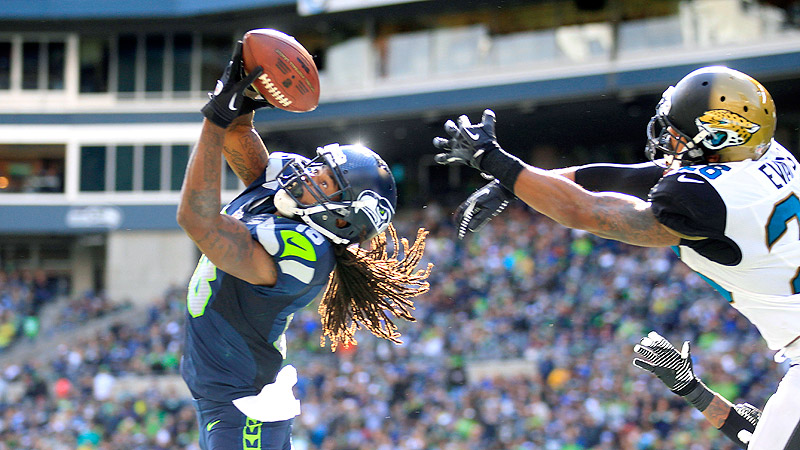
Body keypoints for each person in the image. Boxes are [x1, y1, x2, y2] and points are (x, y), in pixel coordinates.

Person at [433, 65, 800, 449]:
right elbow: (639, 177)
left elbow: (586, 212)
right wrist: (517, 182)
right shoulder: (764, 155)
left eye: (677, 133)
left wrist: (495, 161)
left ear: (720, 137)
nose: (668, 139)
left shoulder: (705, 198)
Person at [177, 39, 432, 450]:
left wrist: (215, 117)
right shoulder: (288, 195)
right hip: (228, 401)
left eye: (327, 182)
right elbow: (239, 131)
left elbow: (197, 220)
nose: (310, 174)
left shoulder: (305, 252)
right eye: (321, 166)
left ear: (343, 218)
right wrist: (241, 92)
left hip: (247, 411)